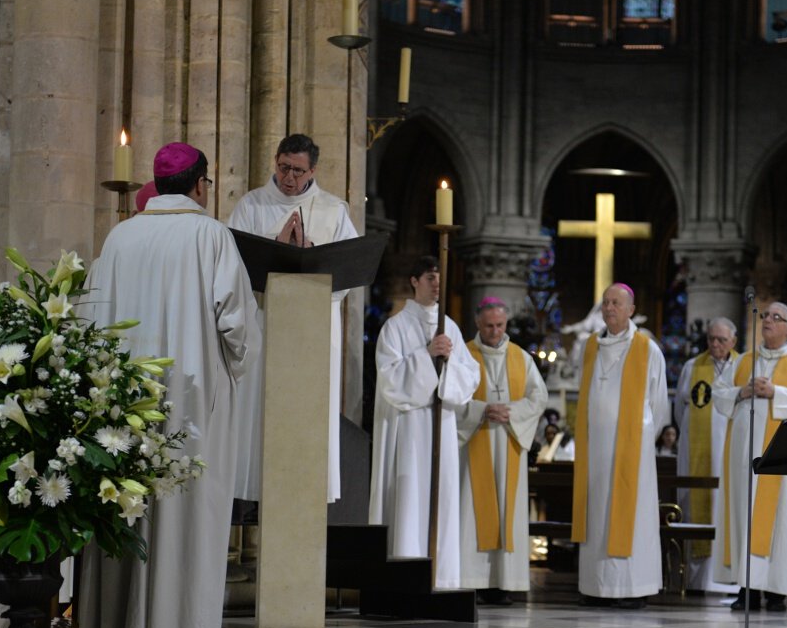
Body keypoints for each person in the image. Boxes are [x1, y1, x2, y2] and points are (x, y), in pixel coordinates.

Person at [79, 142, 261, 628]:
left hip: (123, 404)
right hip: (191, 406)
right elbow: (236, 323)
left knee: (128, 514)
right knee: (188, 521)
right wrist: (236, 369)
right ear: (201, 184)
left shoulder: (119, 237)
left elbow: (90, 317)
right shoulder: (211, 236)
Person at [227, 133, 358, 506]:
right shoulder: (251, 205)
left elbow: (346, 275)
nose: (289, 177)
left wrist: (311, 256)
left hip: (314, 334)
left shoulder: (334, 210)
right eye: (283, 167)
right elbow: (233, 268)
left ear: (312, 170)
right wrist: (276, 247)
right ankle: (252, 503)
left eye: (298, 170)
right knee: (263, 416)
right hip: (266, 327)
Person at [368, 256, 480, 589]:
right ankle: (406, 577)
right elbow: (390, 381)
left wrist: (448, 365)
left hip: (440, 425)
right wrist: (427, 355)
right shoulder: (395, 327)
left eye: (440, 278)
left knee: (441, 498)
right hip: (410, 429)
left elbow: (469, 376)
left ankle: (441, 579)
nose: (437, 284)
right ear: (414, 281)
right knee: (409, 496)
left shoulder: (451, 327)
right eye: (430, 277)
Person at [713, 301, 787, 612]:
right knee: (744, 515)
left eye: (777, 318)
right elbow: (718, 393)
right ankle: (746, 589)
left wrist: (778, 393)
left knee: (782, 521)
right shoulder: (745, 360)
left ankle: (777, 590)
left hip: (783, 457)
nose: (768, 321)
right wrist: (742, 392)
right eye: (766, 316)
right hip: (744, 457)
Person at [571, 283, 670, 609]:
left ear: (631, 309)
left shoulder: (646, 348)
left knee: (632, 517)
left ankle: (632, 587)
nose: (609, 308)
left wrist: (638, 440)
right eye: (605, 303)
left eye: (616, 303)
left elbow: (658, 404)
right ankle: (595, 586)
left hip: (633, 451)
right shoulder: (589, 348)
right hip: (594, 451)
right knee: (596, 515)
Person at [455, 297, 547, 604]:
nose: (495, 331)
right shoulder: (463, 355)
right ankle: (474, 580)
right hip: (474, 445)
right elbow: (450, 398)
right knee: (473, 511)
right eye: (489, 326)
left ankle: (505, 582)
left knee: (508, 511)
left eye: (500, 325)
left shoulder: (521, 357)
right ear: (478, 324)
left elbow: (538, 398)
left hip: (509, 444)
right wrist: (482, 410)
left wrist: (511, 412)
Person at [672, 316, 739, 595]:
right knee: (696, 506)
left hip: (729, 453)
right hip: (697, 452)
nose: (715, 344)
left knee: (727, 509)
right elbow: (679, 409)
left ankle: (729, 580)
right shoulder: (692, 366)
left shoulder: (743, 365)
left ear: (733, 341)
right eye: (711, 339)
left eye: (722, 340)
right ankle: (697, 581)